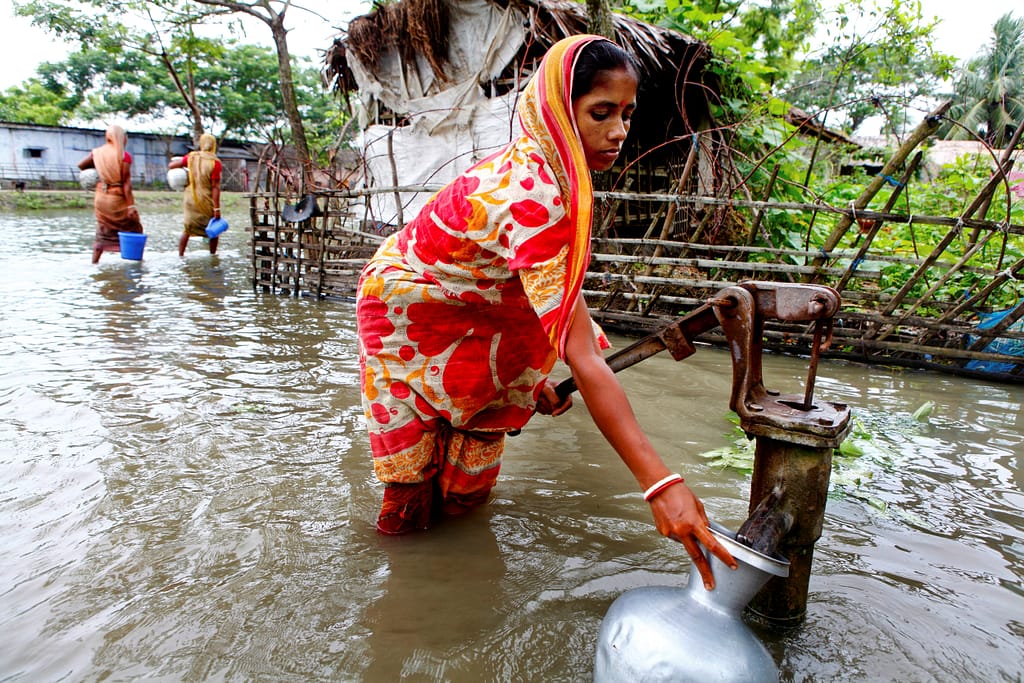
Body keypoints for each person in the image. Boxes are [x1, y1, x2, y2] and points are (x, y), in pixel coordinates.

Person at [356, 35, 736, 588]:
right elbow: (581, 353)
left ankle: (455, 587)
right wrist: (660, 483)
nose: (619, 131)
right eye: (600, 113)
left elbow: (548, 293)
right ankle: (403, 590)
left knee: (467, 492)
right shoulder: (533, 190)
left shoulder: (563, 176)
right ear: (560, 108)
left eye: (626, 114)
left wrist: (526, 377)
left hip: (482, 315)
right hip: (408, 318)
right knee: (411, 495)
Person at [78, 124, 143, 264]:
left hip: (101, 196)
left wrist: (101, 169)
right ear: (122, 137)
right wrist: (131, 206)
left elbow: (81, 165)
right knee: (134, 228)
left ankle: (94, 262)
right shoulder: (123, 156)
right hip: (116, 197)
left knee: (103, 227)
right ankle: (134, 262)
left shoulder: (97, 153)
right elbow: (126, 183)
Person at [169, 133, 222, 257]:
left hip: (190, 198)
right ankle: (212, 255)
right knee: (214, 228)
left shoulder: (191, 157)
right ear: (213, 145)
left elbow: (171, 166)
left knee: (187, 228)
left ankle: (180, 255)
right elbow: (215, 187)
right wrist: (217, 208)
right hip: (206, 199)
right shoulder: (215, 163)